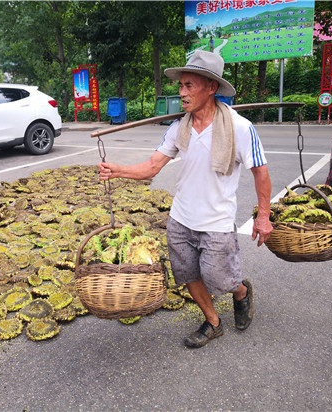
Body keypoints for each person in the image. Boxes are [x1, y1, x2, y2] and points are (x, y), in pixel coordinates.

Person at [99, 50, 273, 349]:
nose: (181, 93)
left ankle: (241, 292)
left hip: (216, 220)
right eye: (180, 86)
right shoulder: (179, 128)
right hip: (180, 218)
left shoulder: (239, 128)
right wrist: (118, 170)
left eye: (189, 85)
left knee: (221, 280)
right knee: (188, 274)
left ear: (211, 87)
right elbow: (153, 166)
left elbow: (261, 172)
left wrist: (263, 216)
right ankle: (213, 322)